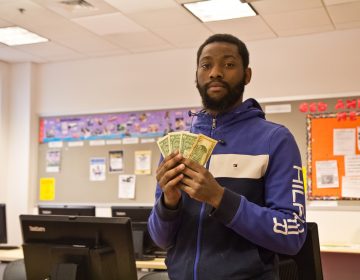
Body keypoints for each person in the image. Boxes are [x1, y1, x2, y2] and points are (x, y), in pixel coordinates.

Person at [148, 34, 306, 280]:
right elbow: (160, 239)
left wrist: (219, 198)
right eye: (206, 65)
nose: (215, 72)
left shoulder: (276, 139)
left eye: (229, 64)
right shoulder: (178, 147)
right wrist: (169, 202)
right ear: (197, 75)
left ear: (247, 75)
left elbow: (292, 235)